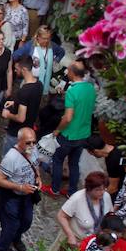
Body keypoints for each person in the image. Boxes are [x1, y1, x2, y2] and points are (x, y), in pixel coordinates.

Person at [48, 59, 96, 196]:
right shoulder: (90, 88)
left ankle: (55, 189)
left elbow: (68, 117)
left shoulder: (72, 91)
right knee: (74, 164)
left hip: (69, 134)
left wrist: (57, 130)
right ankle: (72, 191)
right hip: (84, 133)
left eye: (68, 70)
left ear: (73, 73)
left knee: (57, 160)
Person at [0, 127, 40, 251]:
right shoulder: (11, 158)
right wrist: (20, 187)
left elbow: (36, 164)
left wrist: (38, 177)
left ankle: (15, 239)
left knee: (26, 221)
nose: (31, 145)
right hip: (12, 197)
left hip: (27, 195)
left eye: (34, 142)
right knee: (11, 225)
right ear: (19, 141)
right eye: (28, 143)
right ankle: (1, 246)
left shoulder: (33, 150)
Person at [56, 171, 113, 247]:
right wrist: (70, 235)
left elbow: (110, 214)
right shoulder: (77, 199)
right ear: (89, 189)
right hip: (77, 240)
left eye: (104, 189)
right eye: (98, 190)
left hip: (96, 242)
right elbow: (61, 216)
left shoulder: (106, 196)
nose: (102, 192)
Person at [1, 54, 42, 156]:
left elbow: (20, 118)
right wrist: (15, 102)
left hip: (16, 132)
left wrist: (7, 114)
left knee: (7, 157)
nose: (15, 71)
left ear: (23, 69)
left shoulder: (24, 91)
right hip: (29, 129)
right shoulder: (38, 84)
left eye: (16, 69)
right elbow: (30, 101)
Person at [12, 25, 66, 96]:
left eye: (48, 38)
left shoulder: (52, 46)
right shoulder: (30, 45)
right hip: (29, 80)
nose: (46, 41)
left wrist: (55, 61)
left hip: (44, 80)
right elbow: (15, 55)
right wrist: (20, 65)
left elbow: (61, 52)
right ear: (38, 37)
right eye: (44, 38)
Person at [84, 134, 126, 199]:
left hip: (124, 191)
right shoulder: (118, 147)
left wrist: (95, 198)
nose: (91, 155)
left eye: (91, 153)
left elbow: (113, 188)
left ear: (96, 151)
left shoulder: (112, 160)